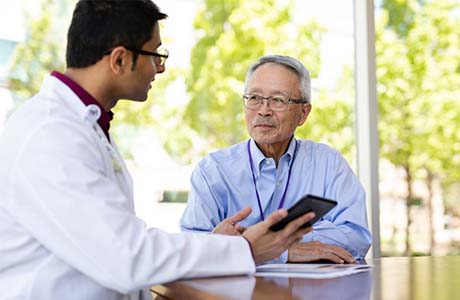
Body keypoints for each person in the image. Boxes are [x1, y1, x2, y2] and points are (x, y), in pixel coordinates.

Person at [0, 2, 316, 300]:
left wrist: (213, 245)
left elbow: (119, 241)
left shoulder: (82, 125)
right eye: (155, 54)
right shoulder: (51, 134)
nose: (160, 68)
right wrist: (245, 249)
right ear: (120, 60)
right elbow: (126, 256)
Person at [180, 54, 372, 263]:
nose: (263, 110)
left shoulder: (328, 163)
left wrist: (245, 244)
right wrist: (283, 251)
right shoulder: (213, 170)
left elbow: (356, 236)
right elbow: (193, 247)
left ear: (303, 113)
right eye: (254, 98)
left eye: (278, 100)